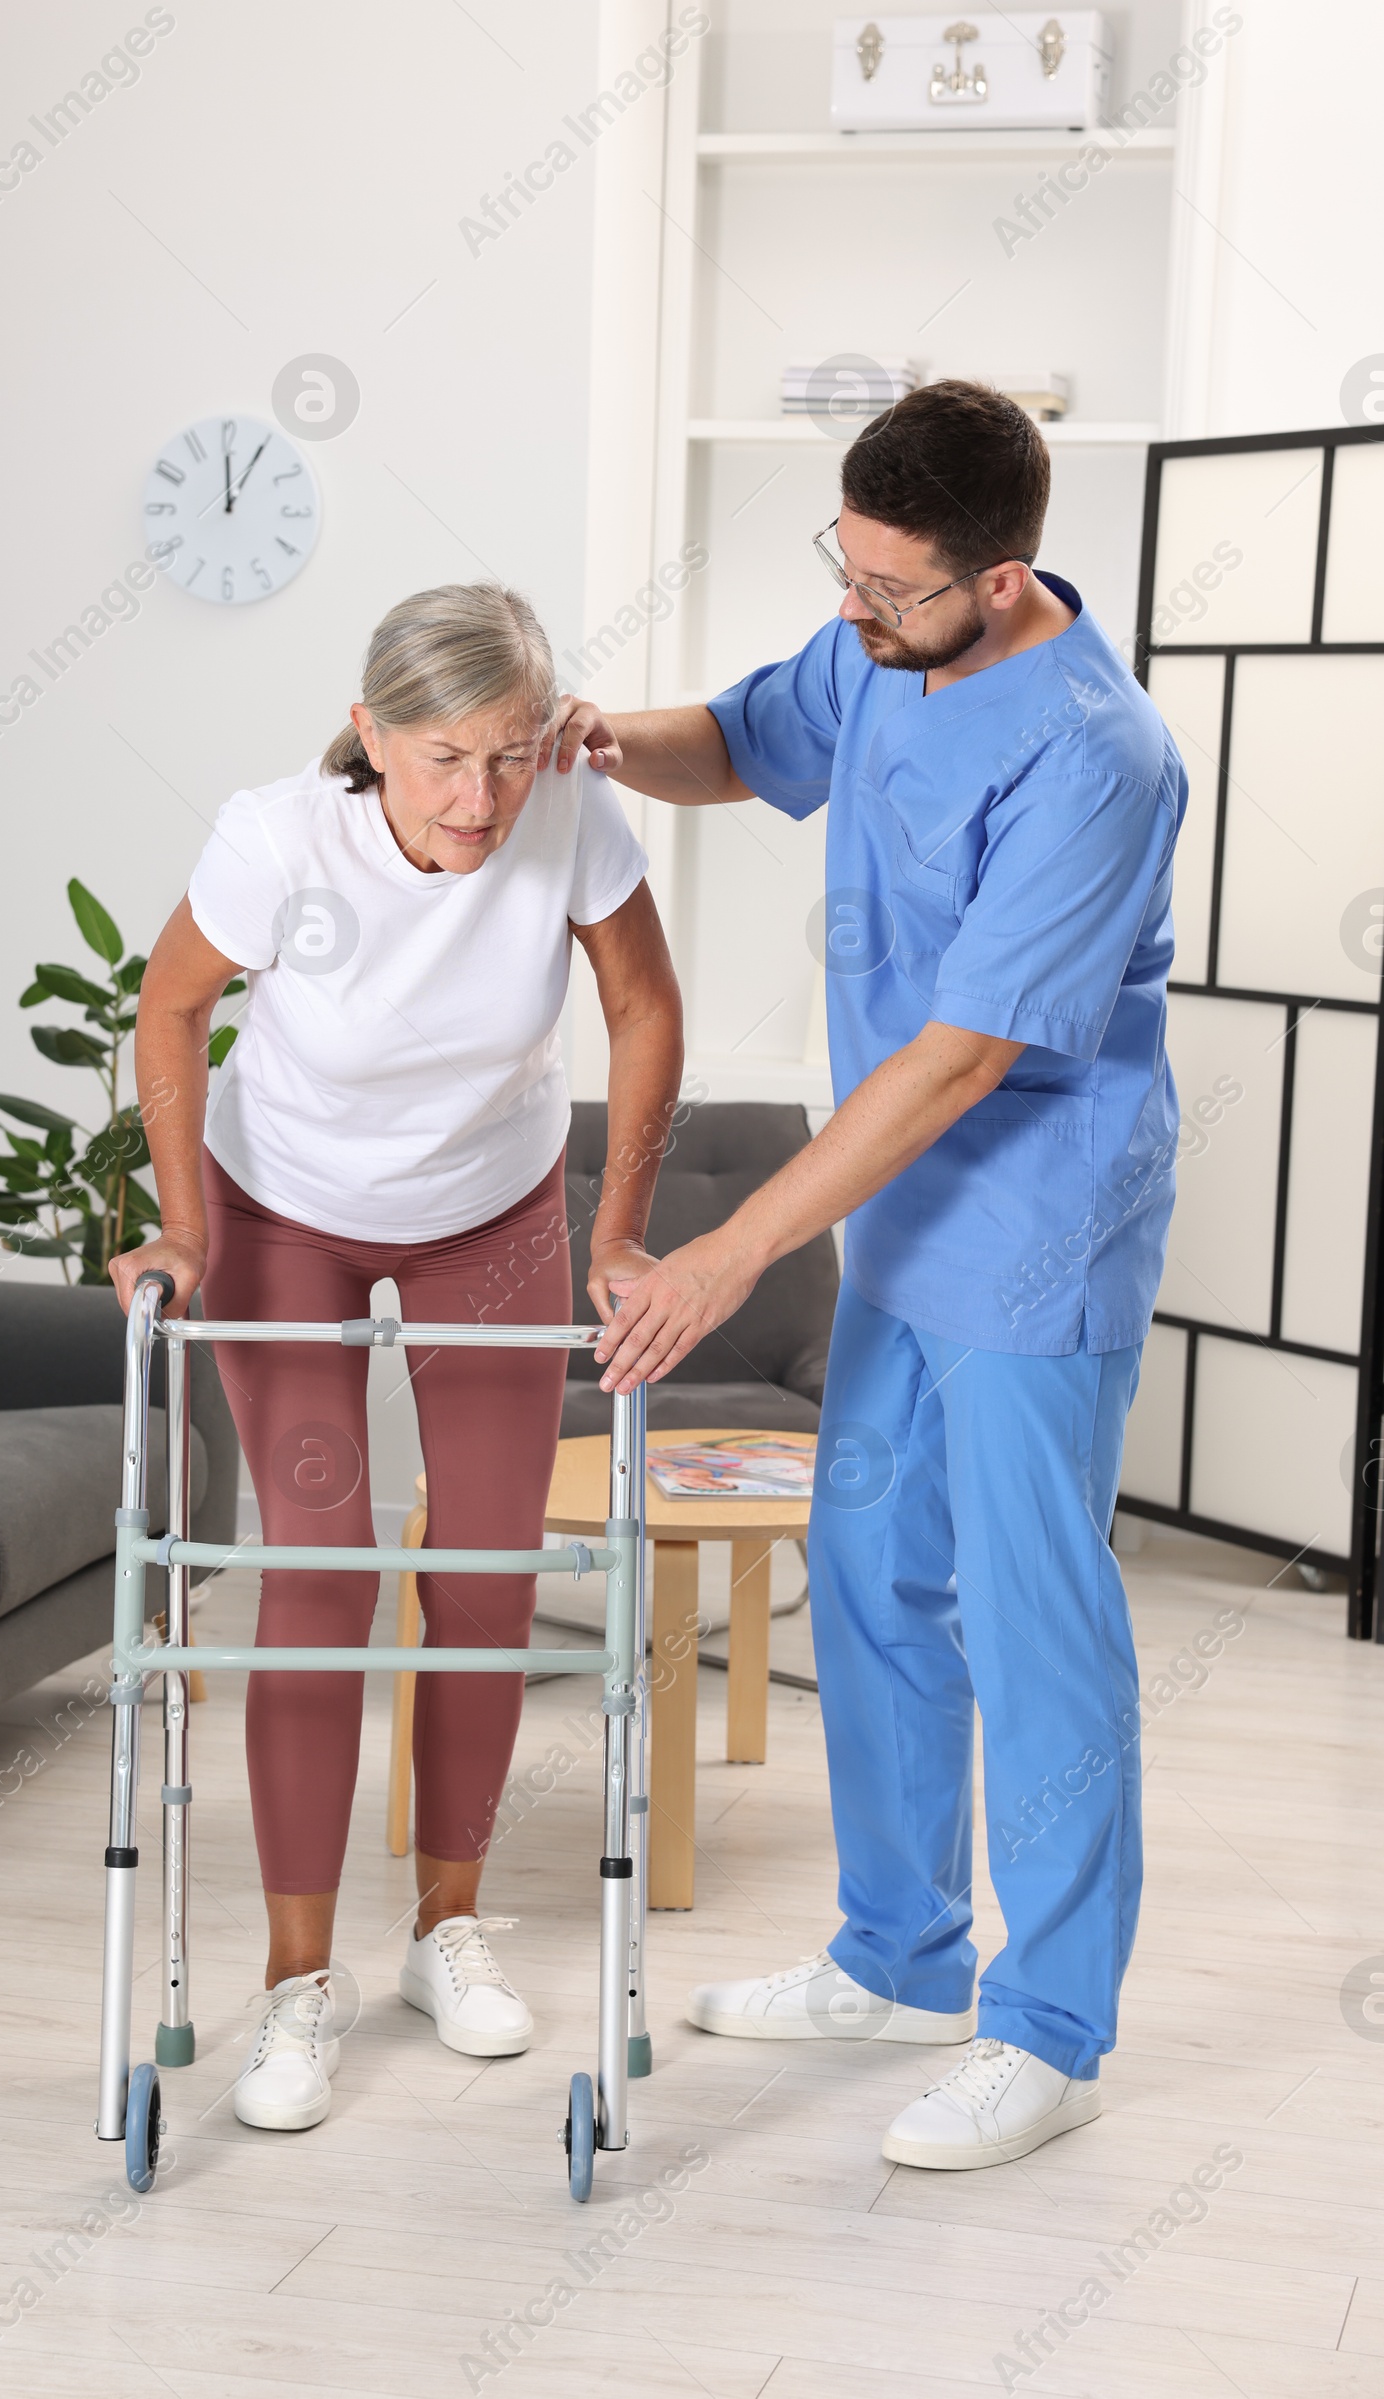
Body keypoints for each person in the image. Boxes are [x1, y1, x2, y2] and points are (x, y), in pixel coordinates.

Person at [546, 382, 1184, 2171]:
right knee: (874, 1570)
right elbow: (739, 743)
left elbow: (964, 1059)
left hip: (1036, 1214)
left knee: (1031, 1607)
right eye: (845, 566)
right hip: (905, 1218)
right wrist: (589, 739)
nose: (854, 609)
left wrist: (735, 1249)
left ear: (1003, 576)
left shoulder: (1096, 751)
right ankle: (900, 1954)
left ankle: (1048, 2033)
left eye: (894, 588)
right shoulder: (878, 653)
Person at [112, 582, 681, 2133]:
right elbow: (172, 1014)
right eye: (441, 759)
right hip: (283, 1209)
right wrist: (178, 1227)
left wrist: (617, 1228)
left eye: (507, 755)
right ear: (372, 735)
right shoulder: (278, 836)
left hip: (490, 1218)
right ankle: (302, 1982)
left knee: (488, 1565)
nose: (477, 797)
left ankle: (446, 1926)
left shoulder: (566, 811)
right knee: (317, 1572)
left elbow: (643, 1008)